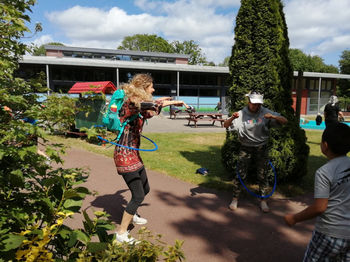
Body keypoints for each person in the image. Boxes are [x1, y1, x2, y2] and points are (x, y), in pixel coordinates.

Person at [114, 73, 184, 243]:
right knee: (138, 195)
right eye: (151, 87)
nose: (153, 89)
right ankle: (121, 234)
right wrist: (172, 102)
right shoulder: (131, 103)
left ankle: (133, 213)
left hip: (134, 154)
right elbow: (148, 104)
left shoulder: (140, 106)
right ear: (143, 88)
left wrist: (163, 101)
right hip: (124, 155)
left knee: (145, 189)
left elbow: (151, 109)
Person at [284, 123, 350, 262]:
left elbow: (320, 207)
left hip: (329, 233)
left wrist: (294, 218)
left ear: (325, 145)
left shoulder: (324, 172)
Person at [223, 91, 288, 212]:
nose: (256, 106)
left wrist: (273, 117)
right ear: (249, 102)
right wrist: (232, 117)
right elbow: (225, 125)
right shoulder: (241, 113)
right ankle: (235, 199)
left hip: (261, 147)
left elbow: (285, 121)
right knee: (241, 174)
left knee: (263, 174)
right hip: (245, 147)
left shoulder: (265, 112)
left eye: (258, 104)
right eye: (254, 104)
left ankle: (263, 200)